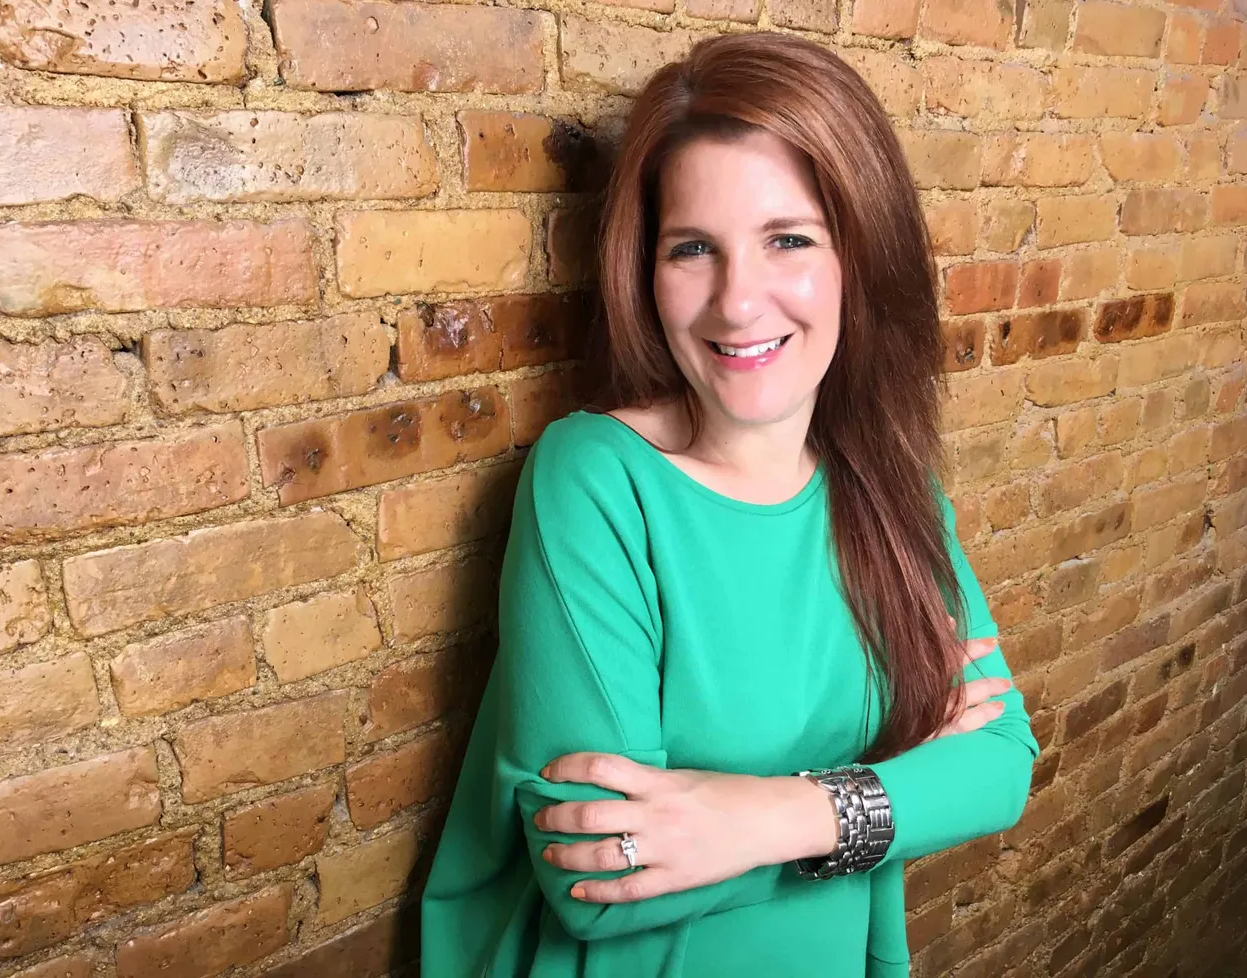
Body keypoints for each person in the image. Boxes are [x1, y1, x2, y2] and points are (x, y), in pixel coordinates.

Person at [420, 31, 1039, 978]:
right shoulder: (595, 478)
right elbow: (597, 876)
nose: (737, 302)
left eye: (787, 240)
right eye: (693, 249)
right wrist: (895, 787)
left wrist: (759, 817)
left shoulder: (891, 489)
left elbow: (998, 764)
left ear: (859, 260)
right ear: (646, 272)